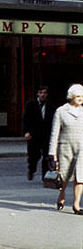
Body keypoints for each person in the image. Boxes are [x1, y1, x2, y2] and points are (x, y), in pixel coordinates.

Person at [48, 83, 83, 214]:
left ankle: (76, 205)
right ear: (71, 96)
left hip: (82, 149)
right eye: (78, 96)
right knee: (64, 177)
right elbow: (54, 133)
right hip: (65, 148)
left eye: (82, 96)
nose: (81, 98)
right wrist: (52, 154)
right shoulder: (61, 111)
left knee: (81, 177)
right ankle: (61, 195)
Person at [23, 85, 55, 180]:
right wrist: (26, 132)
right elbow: (25, 119)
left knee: (46, 156)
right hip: (33, 134)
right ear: (37, 94)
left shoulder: (51, 106)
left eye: (44, 93)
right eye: (41, 93)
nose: (42, 95)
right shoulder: (31, 104)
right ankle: (31, 170)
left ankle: (44, 175)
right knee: (33, 155)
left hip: (46, 134)